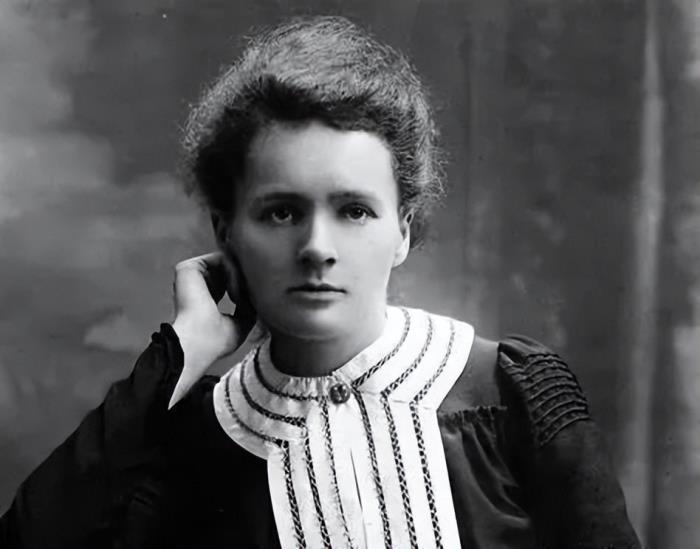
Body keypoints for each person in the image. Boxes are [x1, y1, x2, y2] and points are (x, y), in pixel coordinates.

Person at [0, 15, 641, 549]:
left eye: (354, 211)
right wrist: (181, 354)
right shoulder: (196, 441)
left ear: (403, 232)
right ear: (226, 232)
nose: (316, 249)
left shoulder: (511, 395)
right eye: (281, 213)